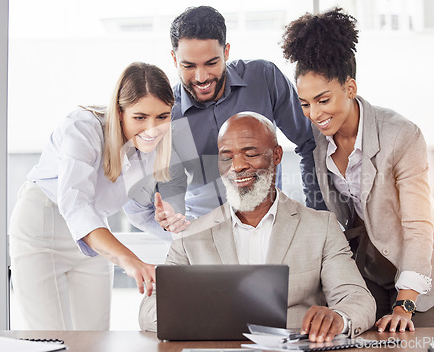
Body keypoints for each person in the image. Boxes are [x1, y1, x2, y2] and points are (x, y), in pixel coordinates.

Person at [280, 8, 434, 333]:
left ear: (350, 87)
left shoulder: (402, 136)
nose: (314, 113)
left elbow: (418, 228)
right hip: (368, 272)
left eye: (323, 99)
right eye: (305, 103)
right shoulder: (320, 137)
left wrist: (404, 304)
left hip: (421, 278)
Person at [139, 112, 376, 341]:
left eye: (250, 154)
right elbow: (149, 309)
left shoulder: (321, 227)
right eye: (226, 156)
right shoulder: (189, 236)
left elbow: (357, 298)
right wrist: (204, 319)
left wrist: (339, 318)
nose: (238, 166)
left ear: (276, 155)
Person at [124, 5, 325, 235]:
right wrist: (175, 232)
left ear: (226, 52)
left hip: (269, 229)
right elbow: (143, 198)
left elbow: (311, 143)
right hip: (206, 237)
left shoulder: (264, 78)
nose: (201, 78)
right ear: (173, 58)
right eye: (188, 66)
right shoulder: (167, 114)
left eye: (211, 63)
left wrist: (316, 215)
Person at [9, 62, 174, 330]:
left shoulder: (154, 145)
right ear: (120, 112)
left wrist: (170, 224)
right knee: (51, 340)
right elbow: (76, 205)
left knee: (95, 338)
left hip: (96, 234)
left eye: (162, 117)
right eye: (140, 117)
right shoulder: (82, 127)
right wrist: (130, 260)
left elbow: (137, 210)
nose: (152, 129)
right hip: (42, 225)